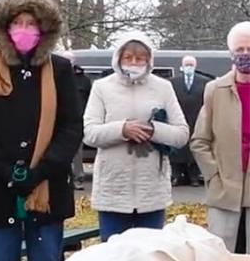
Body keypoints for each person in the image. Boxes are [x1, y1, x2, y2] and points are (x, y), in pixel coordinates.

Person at [0, 0, 82, 261]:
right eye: (18, 22)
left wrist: (40, 171)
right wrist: (5, 170)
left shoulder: (60, 70)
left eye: (32, 23)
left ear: (44, 30)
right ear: (6, 28)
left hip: (47, 190)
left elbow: (70, 127)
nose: (25, 29)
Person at [83, 32, 189, 242]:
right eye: (128, 57)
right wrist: (122, 130)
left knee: (150, 258)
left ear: (149, 61)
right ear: (118, 59)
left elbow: (181, 134)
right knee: (115, 259)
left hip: (151, 192)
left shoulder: (163, 87)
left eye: (140, 58)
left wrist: (153, 129)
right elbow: (89, 133)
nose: (133, 62)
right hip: (113, 191)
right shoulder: (102, 87)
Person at [191, 20, 250, 261]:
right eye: (240, 49)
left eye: (249, 50)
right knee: (219, 256)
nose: (245, 55)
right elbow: (199, 140)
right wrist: (213, 173)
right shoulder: (215, 90)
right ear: (230, 53)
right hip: (225, 187)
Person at [170, 55, 210, 187]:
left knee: (194, 149)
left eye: (191, 65)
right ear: (182, 66)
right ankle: (176, 175)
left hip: (197, 120)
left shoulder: (205, 82)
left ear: (195, 66)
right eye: (186, 65)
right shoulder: (172, 82)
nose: (189, 67)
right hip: (178, 120)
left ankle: (194, 177)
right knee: (177, 149)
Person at [65, 52, 92, 190]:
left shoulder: (84, 80)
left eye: (69, 60)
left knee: (77, 151)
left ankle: (78, 178)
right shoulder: (53, 76)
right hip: (58, 120)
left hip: (78, 120)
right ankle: (64, 178)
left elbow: (90, 100)